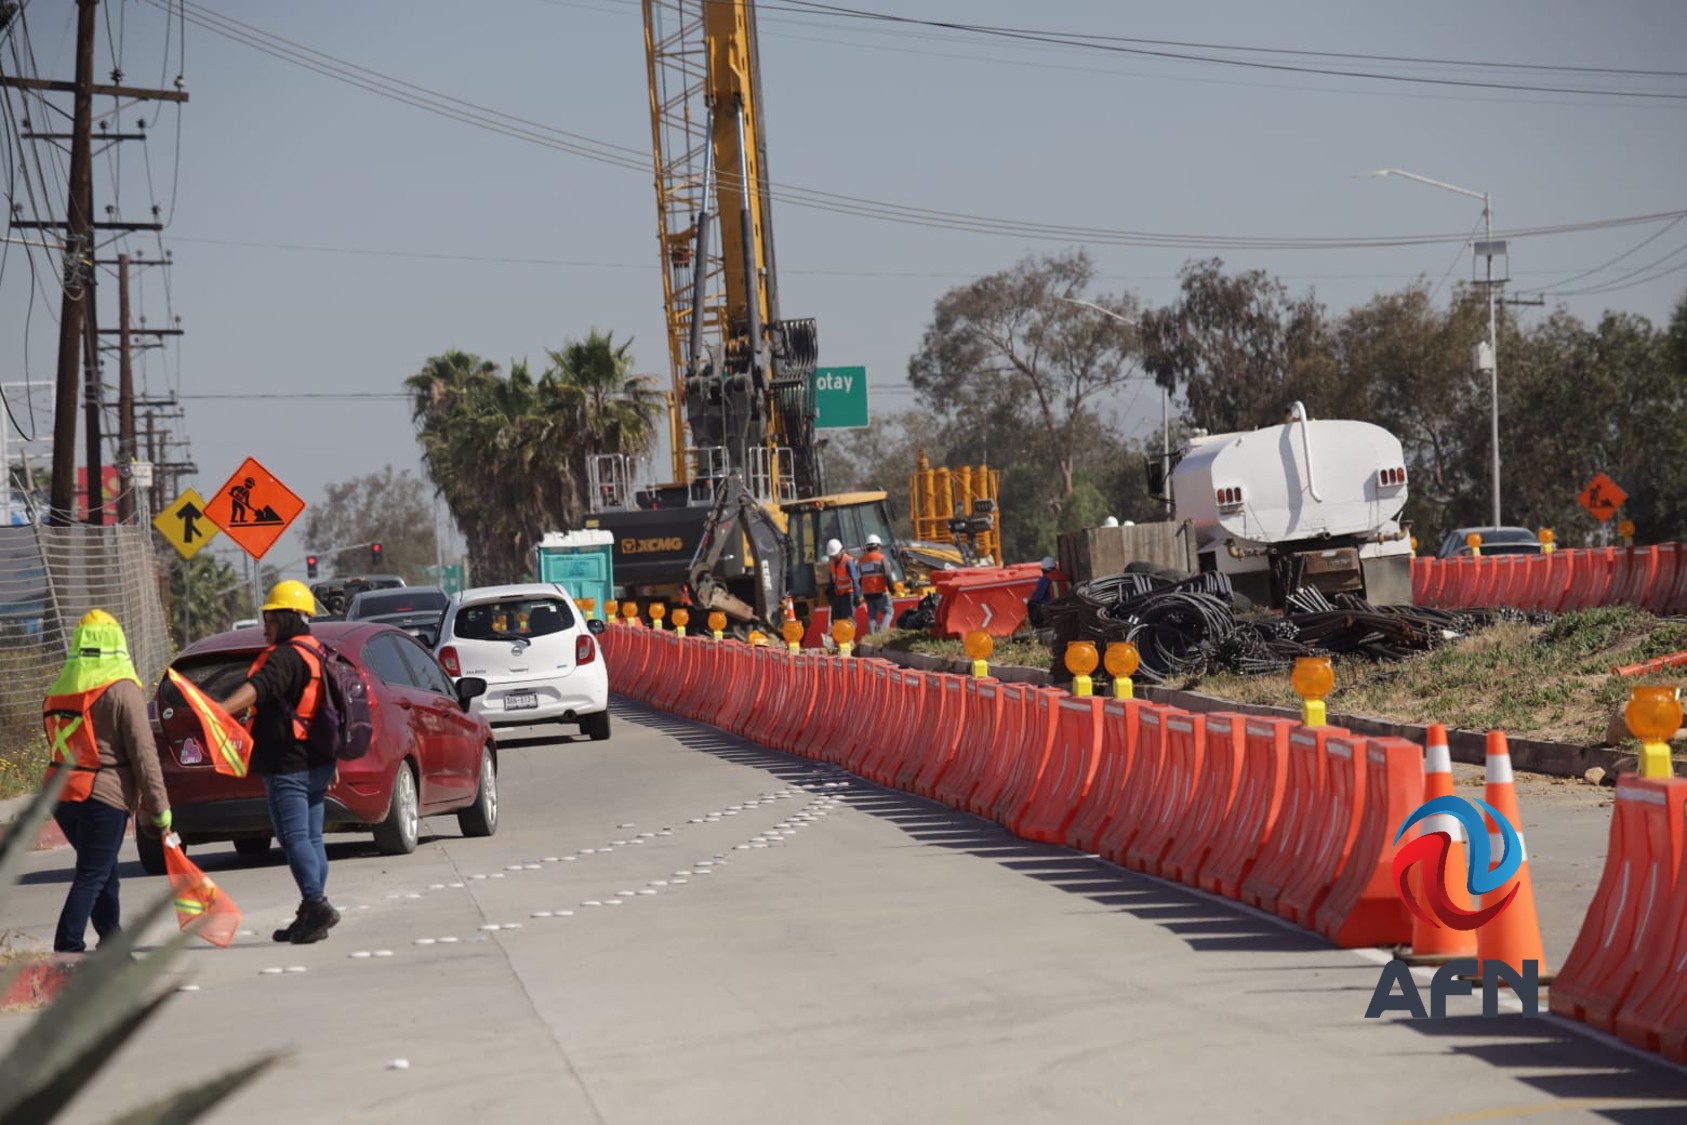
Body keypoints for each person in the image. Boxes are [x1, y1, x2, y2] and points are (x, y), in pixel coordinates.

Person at [218, 580, 341, 945]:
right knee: (312, 839)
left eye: (270, 618)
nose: (265, 626)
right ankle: (312, 914)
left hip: (289, 764)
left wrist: (220, 709)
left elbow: (260, 687)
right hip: (319, 762)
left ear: (288, 618)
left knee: (293, 838)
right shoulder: (317, 651)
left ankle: (316, 904)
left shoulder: (286, 656)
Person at [42, 609, 171, 954]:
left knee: (103, 871)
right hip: (103, 796)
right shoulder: (122, 691)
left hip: (63, 796)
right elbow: (144, 753)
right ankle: (66, 948)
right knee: (93, 874)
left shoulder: (61, 689)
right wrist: (160, 808)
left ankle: (112, 944)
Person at [824, 537, 860, 636]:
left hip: (848, 595)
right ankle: (839, 641)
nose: (834, 557)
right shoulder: (832, 562)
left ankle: (849, 641)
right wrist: (830, 590)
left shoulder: (848, 561)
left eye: (835, 555)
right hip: (838, 595)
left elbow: (855, 579)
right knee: (836, 620)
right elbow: (832, 578)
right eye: (832, 556)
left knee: (848, 620)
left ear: (840, 551)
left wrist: (857, 596)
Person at [859, 534, 894, 634]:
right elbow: (887, 574)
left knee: (872, 616)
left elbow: (859, 578)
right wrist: (892, 589)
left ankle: (872, 637)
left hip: (867, 593)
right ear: (878, 546)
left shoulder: (861, 560)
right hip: (880, 592)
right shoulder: (881, 558)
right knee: (889, 611)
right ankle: (881, 633)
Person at [1027, 555, 1071, 628]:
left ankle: (1039, 627)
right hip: (1069, 609)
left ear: (1043, 570)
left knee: (1032, 604)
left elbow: (1037, 597)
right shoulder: (1065, 577)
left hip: (1053, 609)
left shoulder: (1046, 579)